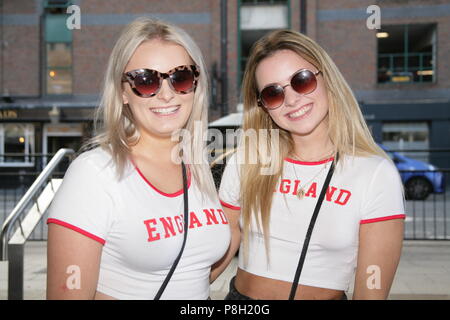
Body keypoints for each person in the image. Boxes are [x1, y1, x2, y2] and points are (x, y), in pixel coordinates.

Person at [46, 18, 230, 300]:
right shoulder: (94, 173)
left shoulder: (199, 166)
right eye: (146, 81)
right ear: (122, 92)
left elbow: (191, 271)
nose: (167, 94)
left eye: (180, 77)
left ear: (196, 85)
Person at [216, 29, 405, 300]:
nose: (292, 100)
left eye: (301, 80)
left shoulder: (375, 173)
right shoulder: (248, 161)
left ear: (327, 78)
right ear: (262, 106)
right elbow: (224, 242)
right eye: (273, 93)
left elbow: (371, 291)